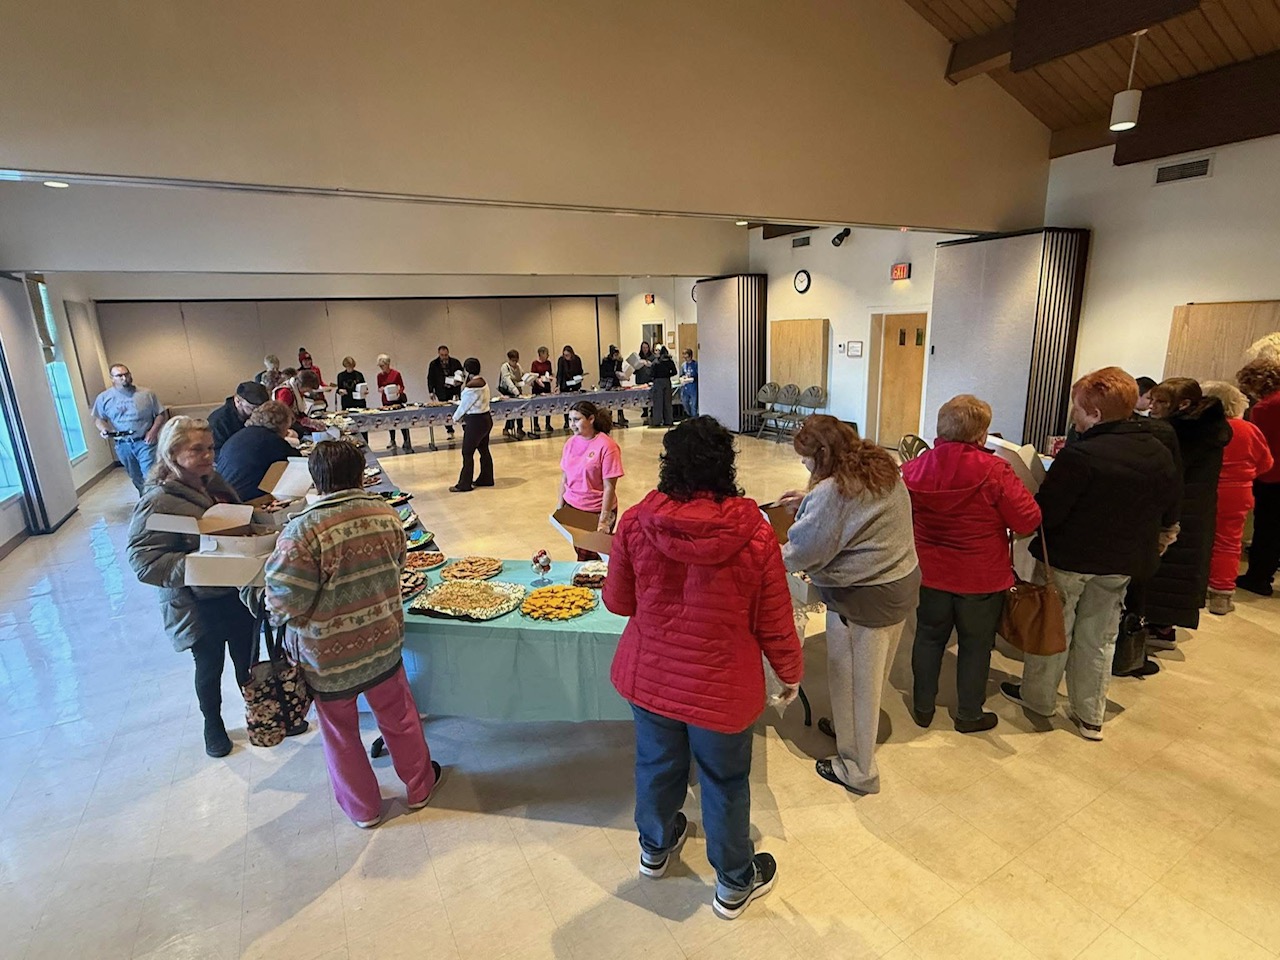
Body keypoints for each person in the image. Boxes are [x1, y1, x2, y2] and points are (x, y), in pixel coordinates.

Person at [603, 416, 803, 920]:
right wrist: (791, 672)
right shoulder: (753, 531)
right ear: (726, 465)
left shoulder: (635, 522)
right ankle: (734, 881)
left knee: (656, 764)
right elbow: (775, 619)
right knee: (725, 779)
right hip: (721, 686)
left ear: (669, 464)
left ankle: (654, 846)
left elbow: (617, 602)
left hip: (651, 677)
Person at [261, 440, 442, 828]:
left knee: (341, 734)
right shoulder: (386, 514)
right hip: (383, 640)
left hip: (327, 657)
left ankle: (364, 809)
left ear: (315, 479)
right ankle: (419, 786)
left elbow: (283, 603)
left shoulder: (303, 531)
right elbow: (397, 566)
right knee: (400, 717)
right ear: (361, 474)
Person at [1001, 368, 1180, 741]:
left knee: (1054, 628)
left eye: (1078, 409)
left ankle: (1039, 700)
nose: (1074, 416)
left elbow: (1047, 513)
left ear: (1095, 414)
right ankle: (1089, 714)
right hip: (1122, 563)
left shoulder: (1080, 456)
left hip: (1069, 560)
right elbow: (1168, 507)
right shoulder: (1158, 450)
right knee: (1100, 636)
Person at [779, 415, 918, 794]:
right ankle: (850, 733)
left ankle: (858, 769)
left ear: (822, 456)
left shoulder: (832, 492)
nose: (804, 465)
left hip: (864, 597)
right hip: (899, 584)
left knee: (854, 682)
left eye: (807, 458)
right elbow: (856, 513)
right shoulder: (879, 466)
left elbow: (803, 550)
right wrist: (808, 501)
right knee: (871, 679)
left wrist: (765, 555)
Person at [901, 396, 1041, 733]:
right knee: (976, 646)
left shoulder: (912, 469)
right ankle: (968, 713)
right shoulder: (995, 471)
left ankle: (922, 707)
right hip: (982, 578)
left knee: (928, 638)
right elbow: (1027, 520)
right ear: (981, 435)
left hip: (930, 573)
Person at [126, 416, 263, 758]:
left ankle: (260, 716)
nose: (207, 456)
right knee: (209, 665)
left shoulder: (213, 482)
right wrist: (196, 566)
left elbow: (233, 523)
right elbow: (144, 562)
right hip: (197, 601)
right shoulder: (157, 499)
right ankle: (212, 725)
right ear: (172, 453)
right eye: (197, 449)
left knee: (246, 658)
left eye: (210, 448)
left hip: (235, 588)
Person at [1141, 378, 1230, 648]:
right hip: (1196, 509)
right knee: (1178, 571)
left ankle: (1158, 625)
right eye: (1152, 400)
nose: (1152, 406)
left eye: (1161, 402)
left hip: (1178, 510)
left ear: (1184, 404)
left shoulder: (1178, 433)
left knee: (1166, 570)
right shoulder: (1207, 429)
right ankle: (1163, 625)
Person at [1202, 381, 1273, 614]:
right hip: (1238, 493)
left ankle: (1198, 589)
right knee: (1229, 543)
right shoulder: (1249, 430)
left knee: (1198, 540)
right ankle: (1221, 596)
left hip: (1206, 489)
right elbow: (1266, 463)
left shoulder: (1204, 429)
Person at [558, 401, 624, 561]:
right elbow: (565, 476)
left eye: (577, 420)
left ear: (591, 419)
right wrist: (560, 506)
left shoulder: (607, 446)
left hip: (595, 510)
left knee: (592, 559)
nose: (572, 425)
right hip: (573, 507)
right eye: (570, 420)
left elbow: (609, 487)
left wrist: (603, 519)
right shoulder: (570, 443)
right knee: (580, 552)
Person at [1236, 358, 1280, 596]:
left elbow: (1259, 444)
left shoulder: (1264, 408)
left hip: (1272, 475)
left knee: (1267, 529)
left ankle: (1259, 578)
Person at [92, 363, 168, 495]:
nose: (124, 378)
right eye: (119, 375)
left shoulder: (146, 394)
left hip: (144, 441)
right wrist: (104, 429)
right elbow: (99, 418)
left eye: (126, 374)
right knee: (136, 476)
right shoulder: (104, 398)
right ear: (112, 378)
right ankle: (144, 497)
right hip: (123, 443)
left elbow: (161, 414)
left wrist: (153, 432)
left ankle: (154, 502)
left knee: (150, 473)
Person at [214, 401, 298, 501]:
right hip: (246, 501)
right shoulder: (271, 440)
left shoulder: (239, 435)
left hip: (223, 497)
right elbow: (298, 462)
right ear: (283, 424)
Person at [450, 358, 493, 493]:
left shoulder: (471, 386)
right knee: (483, 449)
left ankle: (464, 484)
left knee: (467, 452)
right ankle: (486, 478)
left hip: (475, 422)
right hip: (486, 418)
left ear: (467, 370)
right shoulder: (483, 382)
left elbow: (464, 406)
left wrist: (455, 418)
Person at [208, 381, 269, 456]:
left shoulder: (256, 414)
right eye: (254, 408)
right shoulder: (218, 422)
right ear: (238, 401)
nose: (259, 411)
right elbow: (215, 453)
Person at [375, 354, 413, 453]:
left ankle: (406, 440)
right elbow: (379, 388)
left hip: (396, 400)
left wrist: (398, 391)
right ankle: (392, 440)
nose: (381, 368)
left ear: (387, 364)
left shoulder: (396, 374)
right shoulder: (379, 376)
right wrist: (382, 389)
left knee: (402, 421)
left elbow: (402, 386)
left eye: (382, 366)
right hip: (386, 401)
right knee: (390, 421)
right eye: (380, 366)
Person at [274, 368, 326, 433]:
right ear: (304, 385)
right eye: (309, 388)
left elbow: (298, 412)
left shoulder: (297, 390)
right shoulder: (286, 393)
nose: (309, 391)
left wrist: (311, 422)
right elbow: (284, 416)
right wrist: (307, 424)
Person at [428, 345, 463, 439]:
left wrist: (458, 380)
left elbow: (461, 374)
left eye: (446, 355)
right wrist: (431, 391)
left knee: (459, 408)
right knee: (445, 411)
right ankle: (449, 430)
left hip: (454, 389)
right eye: (442, 355)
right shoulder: (433, 364)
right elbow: (430, 378)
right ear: (439, 354)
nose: (444, 357)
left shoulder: (455, 362)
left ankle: (465, 428)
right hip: (441, 390)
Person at [334, 356, 369, 443]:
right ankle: (351, 443)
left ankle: (365, 442)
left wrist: (365, 391)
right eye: (348, 367)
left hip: (359, 403)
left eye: (352, 367)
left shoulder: (358, 375)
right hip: (347, 403)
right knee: (349, 426)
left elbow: (364, 387)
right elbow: (339, 389)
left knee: (362, 425)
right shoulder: (341, 376)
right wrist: (340, 391)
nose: (350, 369)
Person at [498, 349, 526, 440]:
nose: (515, 363)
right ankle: (507, 428)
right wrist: (516, 392)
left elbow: (522, 375)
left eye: (516, 360)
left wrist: (529, 379)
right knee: (511, 410)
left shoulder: (518, 366)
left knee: (520, 408)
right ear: (509, 359)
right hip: (507, 391)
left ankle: (519, 428)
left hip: (517, 389)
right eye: (513, 361)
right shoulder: (504, 367)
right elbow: (508, 381)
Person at [599, 345, 630, 427]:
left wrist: (624, 376)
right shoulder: (606, 361)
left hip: (616, 382)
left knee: (620, 399)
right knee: (609, 401)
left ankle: (621, 416)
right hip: (608, 383)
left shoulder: (619, 361)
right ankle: (609, 418)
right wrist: (614, 373)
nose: (616, 356)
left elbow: (619, 371)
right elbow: (603, 373)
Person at [557, 345, 584, 432]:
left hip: (575, 384)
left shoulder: (577, 359)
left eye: (568, 355)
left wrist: (579, 378)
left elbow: (580, 371)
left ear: (572, 354)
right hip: (565, 385)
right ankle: (566, 421)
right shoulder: (561, 360)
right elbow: (559, 373)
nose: (566, 357)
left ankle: (576, 419)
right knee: (566, 404)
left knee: (576, 404)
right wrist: (558, 385)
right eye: (565, 355)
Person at [648, 347, 678, 428]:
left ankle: (657, 421)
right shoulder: (670, 361)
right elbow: (675, 372)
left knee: (658, 403)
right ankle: (668, 420)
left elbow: (651, 374)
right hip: (667, 382)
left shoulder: (656, 362)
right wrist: (668, 375)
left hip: (658, 382)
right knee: (667, 402)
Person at [529, 346, 554, 436]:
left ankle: (548, 424)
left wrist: (550, 378)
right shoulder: (535, 363)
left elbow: (550, 373)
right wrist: (539, 380)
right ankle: (536, 424)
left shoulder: (548, 363)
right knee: (536, 406)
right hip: (537, 388)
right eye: (546, 354)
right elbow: (533, 376)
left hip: (546, 387)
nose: (548, 356)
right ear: (541, 354)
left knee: (548, 405)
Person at [635, 341, 655, 422]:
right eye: (643, 348)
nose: (645, 349)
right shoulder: (639, 357)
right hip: (640, 378)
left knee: (651, 396)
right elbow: (635, 370)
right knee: (642, 397)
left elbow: (654, 367)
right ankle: (645, 410)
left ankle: (652, 410)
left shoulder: (652, 357)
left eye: (646, 348)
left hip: (649, 378)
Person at [680, 349, 699, 419]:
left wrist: (692, 379)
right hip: (685, 388)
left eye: (687, 357)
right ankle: (689, 415)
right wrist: (683, 378)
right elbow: (681, 375)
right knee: (685, 403)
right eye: (684, 358)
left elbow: (698, 376)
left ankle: (694, 418)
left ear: (690, 356)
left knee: (693, 405)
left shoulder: (695, 364)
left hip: (693, 387)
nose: (686, 359)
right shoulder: (683, 365)